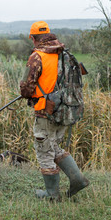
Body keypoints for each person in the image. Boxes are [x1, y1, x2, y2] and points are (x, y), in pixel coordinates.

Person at [20, 21, 89, 201]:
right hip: (65, 110)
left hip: (46, 111)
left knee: (44, 150)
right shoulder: (63, 52)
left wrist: (29, 94)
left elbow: (26, 88)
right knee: (54, 146)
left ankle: (52, 196)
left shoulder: (37, 56)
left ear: (34, 38)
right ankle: (78, 179)